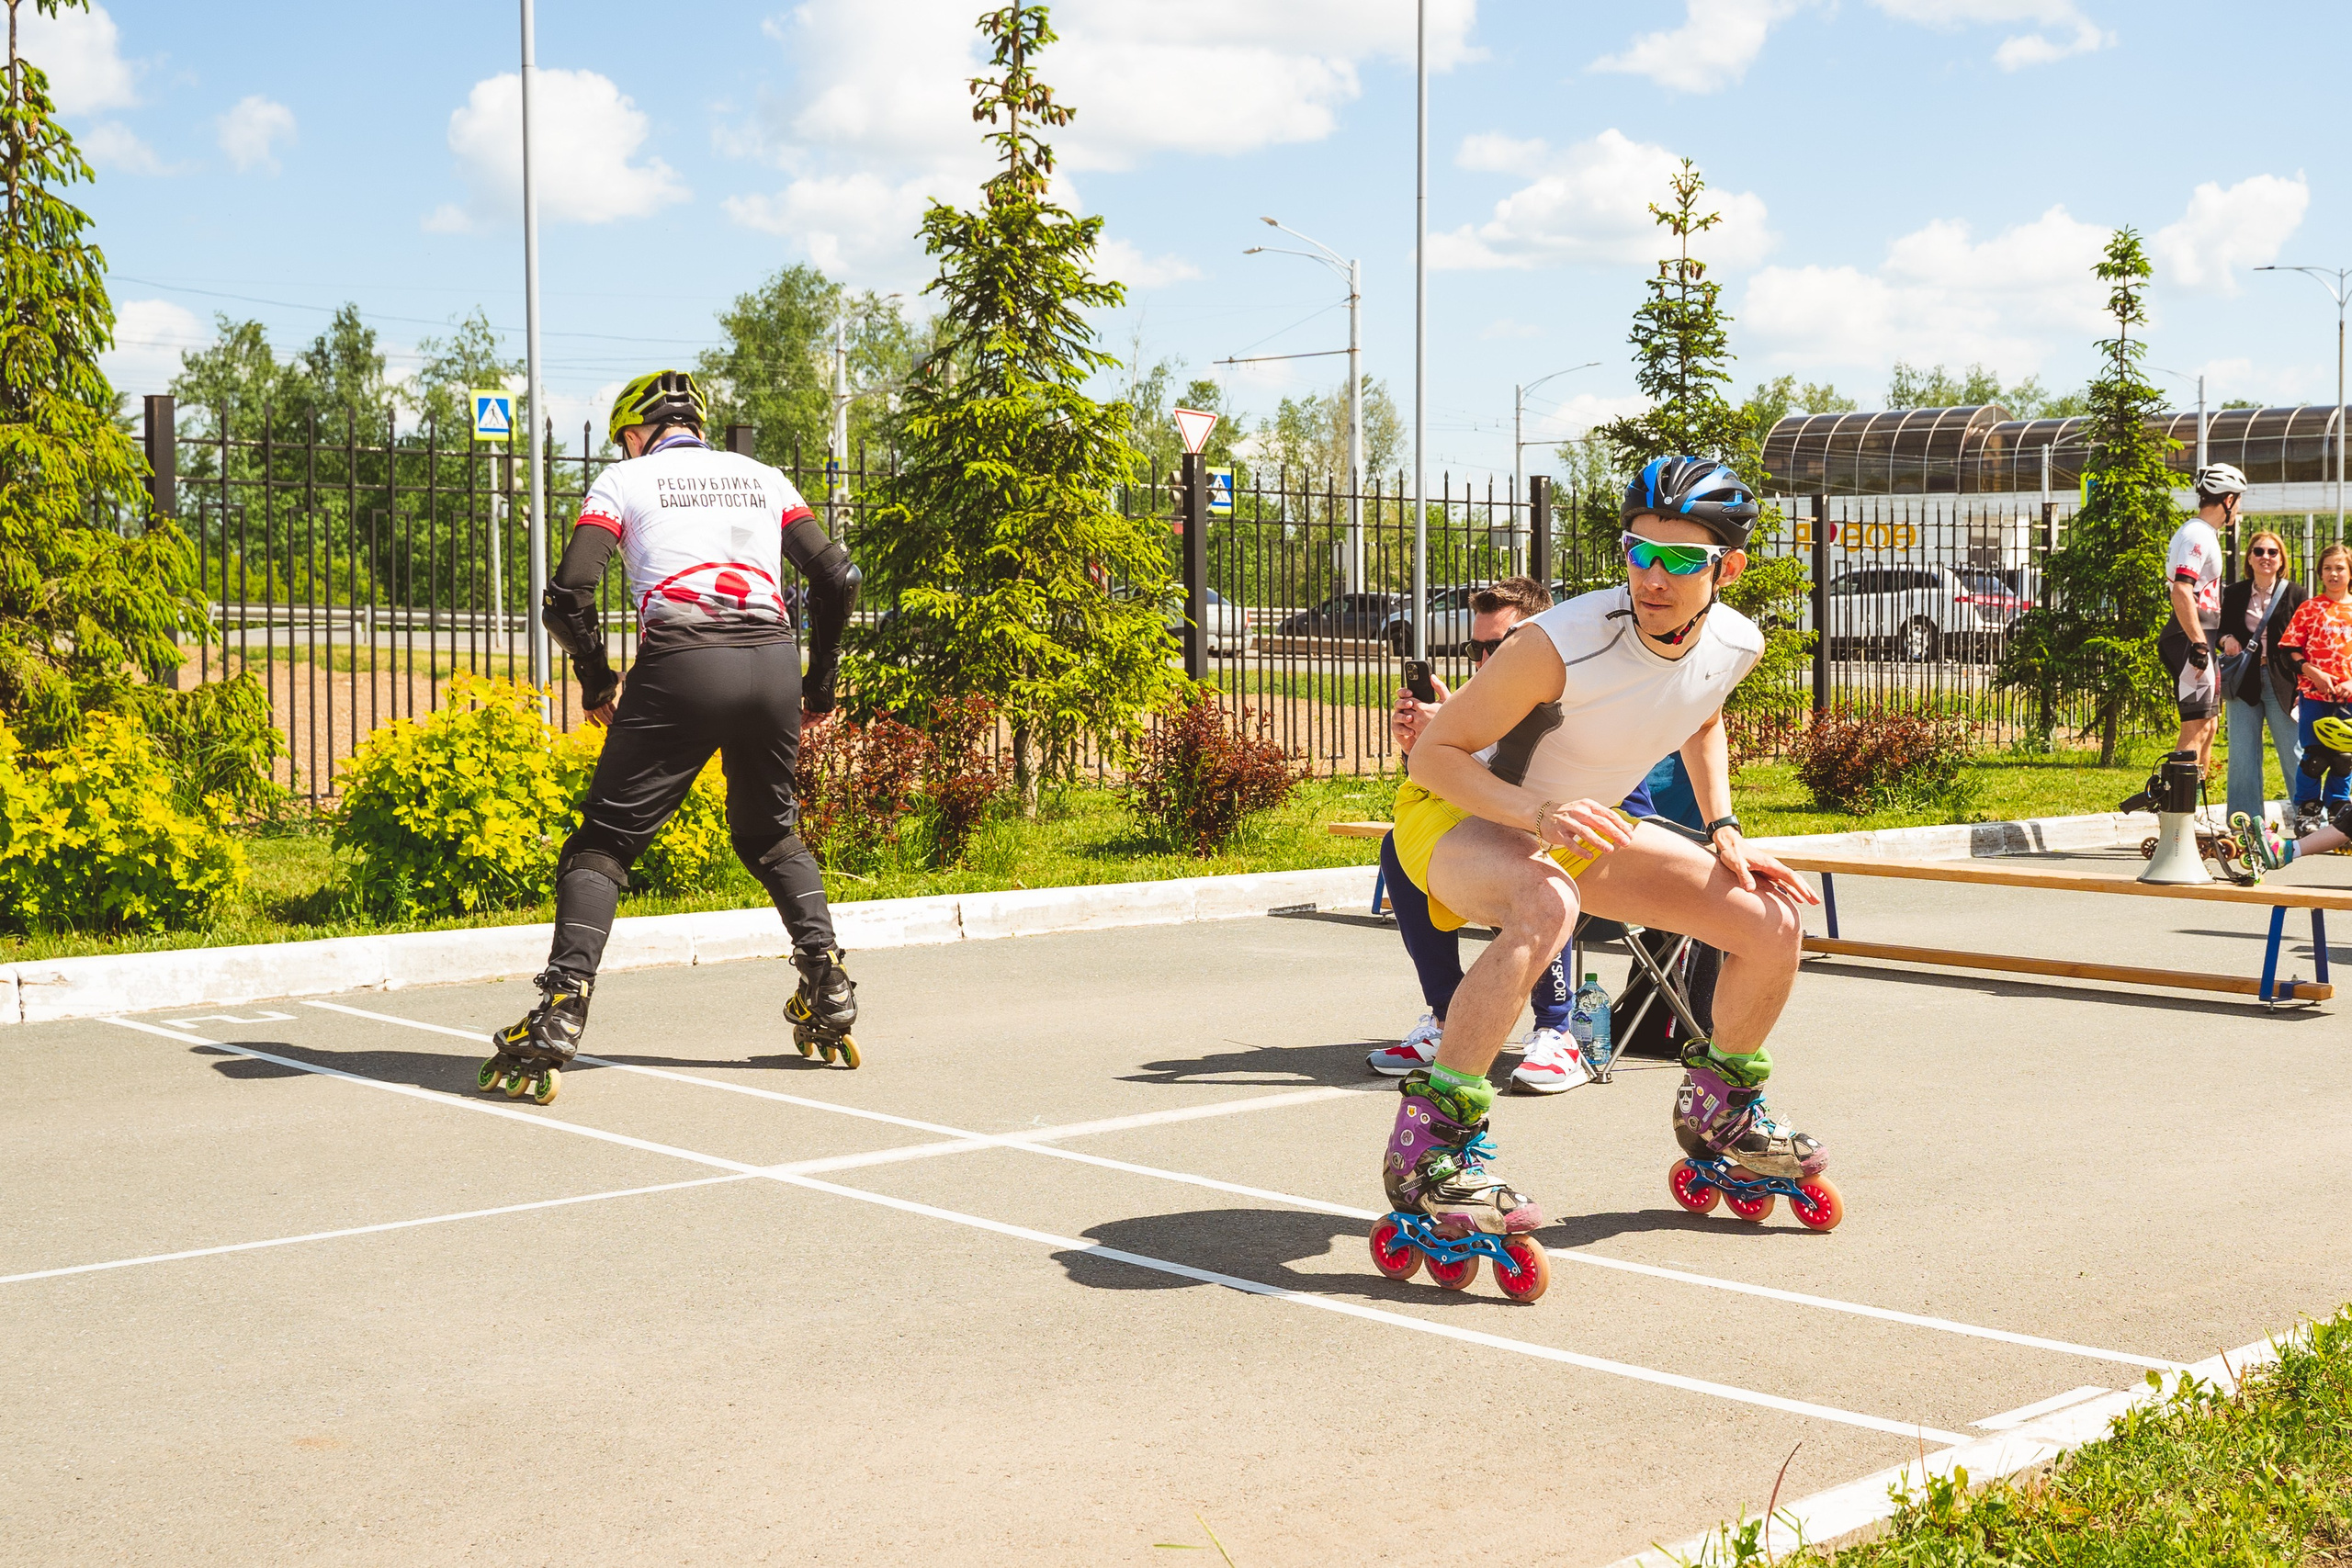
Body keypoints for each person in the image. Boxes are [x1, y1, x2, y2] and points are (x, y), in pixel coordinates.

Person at [1376, 456, 1824, 1250]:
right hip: (1460, 813)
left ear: (1728, 567)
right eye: (1638, 552)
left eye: (1681, 560)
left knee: (1771, 918)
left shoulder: (1735, 641)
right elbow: (1435, 753)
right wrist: (1538, 812)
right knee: (1547, 902)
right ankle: (1432, 1149)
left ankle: (1723, 1112)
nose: (1653, 577)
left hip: (1577, 826)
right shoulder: (1561, 642)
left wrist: (1723, 826)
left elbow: (1698, 716)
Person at [478, 370, 862, 1102]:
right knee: (769, 834)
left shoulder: (624, 480)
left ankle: (561, 1010)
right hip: (772, 661)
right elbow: (838, 577)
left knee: (604, 844)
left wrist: (596, 680)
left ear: (635, 430)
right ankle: (828, 982)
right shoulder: (764, 476)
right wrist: (820, 684)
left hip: (683, 662)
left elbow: (568, 592)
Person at [1371, 576, 1638, 1094]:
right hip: (1519, 831)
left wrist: (1453, 735)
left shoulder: (1573, 697)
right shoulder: (1483, 702)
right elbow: (1456, 796)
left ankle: (1556, 1031)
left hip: (1604, 838)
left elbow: (1567, 794)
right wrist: (1427, 745)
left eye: (1502, 646)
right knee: (1399, 849)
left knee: (1526, 855)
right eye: (1478, 648)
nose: (1486, 660)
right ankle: (1447, 1015)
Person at [2156, 463, 2244, 780]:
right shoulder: (2196, 534)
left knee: (2209, 725)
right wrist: (2197, 643)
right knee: (2195, 727)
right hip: (2188, 637)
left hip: (2202, 637)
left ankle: (2192, 810)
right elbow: (2181, 588)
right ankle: (2175, 822)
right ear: (2229, 499)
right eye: (2239, 500)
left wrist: (2214, 639)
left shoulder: (2204, 534)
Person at [2217, 529, 2307, 828]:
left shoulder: (2296, 593)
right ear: (2250, 559)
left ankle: (2308, 819)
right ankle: (2244, 822)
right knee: (2242, 755)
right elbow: (2220, 630)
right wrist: (2227, 639)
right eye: (2259, 552)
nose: (2265, 557)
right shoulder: (2235, 593)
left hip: (2285, 682)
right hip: (2244, 682)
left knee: (2295, 752)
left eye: (2272, 552)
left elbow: (2305, 641)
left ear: (2281, 559)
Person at [2276, 542, 2352, 835]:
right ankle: (2307, 812)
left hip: (2347, 698)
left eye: (2340, 568)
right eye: (2328, 568)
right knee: (2315, 757)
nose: (2334, 574)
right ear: (2320, 572)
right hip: (2314, 695)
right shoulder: (2310, 608)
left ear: (2349, 572)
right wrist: (2312, 671)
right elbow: (2289, 650)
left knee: (2344, 757)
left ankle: (2339, 811)